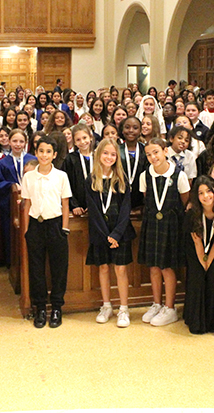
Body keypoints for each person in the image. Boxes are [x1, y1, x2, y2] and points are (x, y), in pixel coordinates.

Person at [138, 137, 191, 327]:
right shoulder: (145, 176)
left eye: (156, 152)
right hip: (152, 223)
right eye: (149, 154)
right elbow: (147, 198)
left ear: (165, 151)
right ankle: (157, 304)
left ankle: (170, 308)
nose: (153, 157)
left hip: (171, 225)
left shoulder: (179, 175)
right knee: (153, 266)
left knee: (167, 267)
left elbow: (185, 201)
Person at [21, 136, 72, 329]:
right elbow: (27, 204)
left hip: (56, 225)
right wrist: (27, 230)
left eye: (48, 152)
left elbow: (65, 204)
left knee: (59, 268)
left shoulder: (61, 176)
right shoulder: (29, 177)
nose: (44, 155)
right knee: (36, 269)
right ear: (36, 152)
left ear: (54, 154)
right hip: (36, 224)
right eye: (41, 151)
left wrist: (64, 228)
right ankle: (40, 308)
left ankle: (57, 307)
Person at [85, 138, 135, 327]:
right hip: (100, 232)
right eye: (105, 153)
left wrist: (116, 234)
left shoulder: (122, 179)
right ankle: (106, 306)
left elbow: (125, 209)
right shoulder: (91, 180)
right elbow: (94, 211)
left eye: (113, 154)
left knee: (120, 269)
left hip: (120, 232)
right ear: (98, 154)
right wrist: (106, 235)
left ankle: (124, 308)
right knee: (103, 268)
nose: (109, 157)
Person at [183, 176, 214, 334]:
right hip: (195, 252)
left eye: (209, 191)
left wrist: (208, 261)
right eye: (201, 193)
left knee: (212, 280)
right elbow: (197, 242)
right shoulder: (192, 213)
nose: (206, 196)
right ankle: (195, 321)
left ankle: (211, 322)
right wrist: (202, 261)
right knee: (197, 280)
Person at [0, 129, 36, 263]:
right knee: (11, 234)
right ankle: (12, 262)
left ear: (26, 143)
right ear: (9, 142)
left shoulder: (33, 160)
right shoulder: (2, 163)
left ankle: (30, 262)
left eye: (21, 141)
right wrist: (11, 185)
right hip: (10, 206)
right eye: (15, 141)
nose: (18, 144)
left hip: (32, 203)